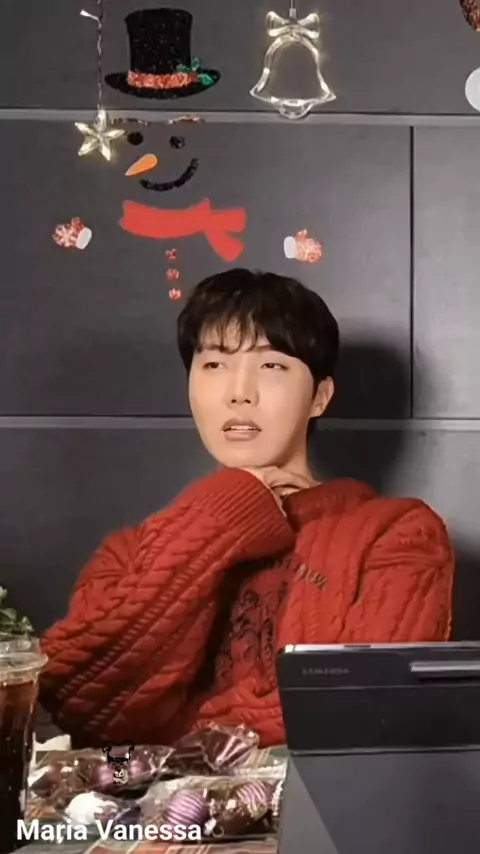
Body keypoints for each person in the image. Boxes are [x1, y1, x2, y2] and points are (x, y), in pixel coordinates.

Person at [39, 269, 454, 747]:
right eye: (214, 364)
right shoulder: (128, 553)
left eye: (271, 365)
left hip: (310, 799)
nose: (239, 392)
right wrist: (224, 511)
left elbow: (362, 710)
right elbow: (78, 702)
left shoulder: (397, 534)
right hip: (145, 801)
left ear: (319, 397)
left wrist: (166, 735)